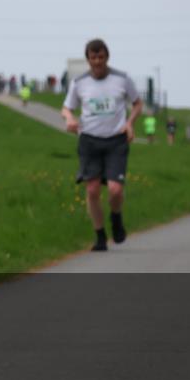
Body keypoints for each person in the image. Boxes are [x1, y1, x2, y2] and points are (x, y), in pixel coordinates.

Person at [61, 39, 143, 251]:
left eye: (101, 57)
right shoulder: (79, 82)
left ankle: (116, 218)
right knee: (92, 190)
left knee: (115, 190)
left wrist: (130, 123)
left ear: (107, 57)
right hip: (89, 139)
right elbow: (66, 108)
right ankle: (99, 235)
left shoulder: (122, 79)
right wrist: (69, 119)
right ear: (88, 59)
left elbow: (137, 103)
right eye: (93, 57)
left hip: (116, 139)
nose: (97, 61)